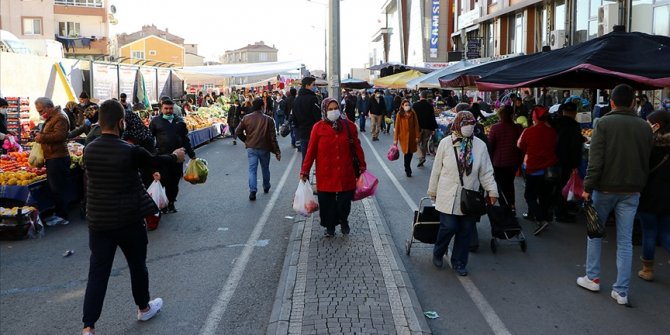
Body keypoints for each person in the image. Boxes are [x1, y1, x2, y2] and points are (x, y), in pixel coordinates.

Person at [81, 99, 185, 335]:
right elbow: (154, 160)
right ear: (121, 122)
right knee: (137, 265)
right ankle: (143, 307)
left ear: (98, 122)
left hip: (98, 222)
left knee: (97, 273)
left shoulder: (89, 149)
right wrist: (176, 157)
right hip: (128, 220)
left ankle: (88, 327)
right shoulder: (130, 150)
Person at [578, 84, 653, 305]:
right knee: (625, 242)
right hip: (632, 190)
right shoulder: (644, 127)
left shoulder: (603, 123)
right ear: (633, 102)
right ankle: (621, 291)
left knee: (595, 233)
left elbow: (596, 160)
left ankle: (593, 277)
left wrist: (587, 187)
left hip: (605, 188)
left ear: (611, 102)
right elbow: (645, 158)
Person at [428, 111, 498, 276]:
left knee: (466, 230)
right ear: (458, 124)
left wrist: (492, 191)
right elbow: (436, 170)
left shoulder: (480, 146)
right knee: (449, 226)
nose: (469, 127)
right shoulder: (446, 143)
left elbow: (486, 172)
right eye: (465, 124)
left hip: (470, 196)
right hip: (447, 193)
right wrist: (433, 190)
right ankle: (438, 251)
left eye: (472, 124)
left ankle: (459, 262)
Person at [300, 97, 367, 237]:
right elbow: (310, 151)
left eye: (335, 108)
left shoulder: (349, 126)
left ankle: (343, 220)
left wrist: (362, 165)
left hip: (345, 171)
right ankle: (330, 227)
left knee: (344, 202)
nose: (333, 111)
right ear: (324, 110)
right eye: (330, 109)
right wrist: (304, 170)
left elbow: (357, 147)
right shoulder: (317, 128)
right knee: (327, 203)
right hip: (326, 173)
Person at [637, 110, 670, 281]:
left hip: (649, 194)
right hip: (668, 196)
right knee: (666, 233)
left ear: (657, 125)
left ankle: (647, 270)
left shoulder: (648, 145)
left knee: (649, 232)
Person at [517, 106, 558, 235]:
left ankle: (541, 219)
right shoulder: (552, 132)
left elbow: (520, 145)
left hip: (533, 168)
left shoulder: (529, 131)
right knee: (544, 195)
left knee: (529, 195)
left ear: (534, 117)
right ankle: (544, 216)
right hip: (549, 169)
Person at [149, 99, 196, 213]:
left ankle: (171, 202)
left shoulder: (179, 121)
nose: (168, 111)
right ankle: (163, 204)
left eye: (170, 108)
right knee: (163, 181)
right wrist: (152, 154)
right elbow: (149, 139)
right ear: (161, 108)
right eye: (166, 108)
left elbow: (185, 139)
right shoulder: (155, 122)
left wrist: (192, 154)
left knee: (174, 182)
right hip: (162, 158)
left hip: (178, 159)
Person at [34, 97, 71, 225]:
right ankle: (59, 213)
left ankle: (62, 216)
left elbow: (60, 136)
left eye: (41, 111)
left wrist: (41, 137)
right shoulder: (52, 117)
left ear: (49, 107)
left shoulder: (59, 117)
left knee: (58, 188)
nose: (40, 114)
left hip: (58, 157)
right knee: (55, 188)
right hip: (52, 156)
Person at [235, 98, 281, 201]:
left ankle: (253, 191)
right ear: (262, 107)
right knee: (265, 168)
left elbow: (238, 132)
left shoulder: (246, 118)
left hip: (251, 147)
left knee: (252, 170)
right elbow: (273, 138)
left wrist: (246, 140)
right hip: (264, 148)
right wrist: (277, 151)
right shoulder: (268, 119)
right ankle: (266, 186)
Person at [551, 102, 585, 222]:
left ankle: (557, 209)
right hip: (568, 161)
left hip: (554, 159)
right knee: (565, 186)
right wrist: (575, 164)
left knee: (557, 185)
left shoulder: (555, 123)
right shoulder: (574, 125)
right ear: (575, 113)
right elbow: (574, 146)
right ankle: (561, 213)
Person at [487, 105, 523, 213]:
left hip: (499, 162)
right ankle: (511, 205)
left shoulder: (495, 128)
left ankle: (505, 206)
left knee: (500, 185)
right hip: (514, 161)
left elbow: (490, 145)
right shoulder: (518, 127)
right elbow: (521, 145)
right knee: (509, 183)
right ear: (512, 115)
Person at [292, 77, 322, 161]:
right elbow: (317, 117)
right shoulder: (313, 98)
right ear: (307, 85)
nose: (314, 87)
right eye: (313, 85)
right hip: (313, 133)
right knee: (318, 158)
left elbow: (294, 119)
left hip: (302, 133)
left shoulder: (296, 100)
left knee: (305, 159)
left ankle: (304, 174)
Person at [393, 99, 420, 177]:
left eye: (408, 105)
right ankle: (407, 168)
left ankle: (407, 166)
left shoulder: (413, 113)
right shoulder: (399, 114)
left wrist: (417, 136)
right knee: (406, 152)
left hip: (412, 137)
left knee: (410, 152)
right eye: (406, 105)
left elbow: (416, 125)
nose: (407, 106)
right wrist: (395, 139)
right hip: (403, 137)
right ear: (402, 106)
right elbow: (397, 127)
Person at [414, 91, 438, 167]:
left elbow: (413, 118)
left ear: (420, 96)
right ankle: (423, 158)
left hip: (418, 128)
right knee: (424, 144)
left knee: (416, 143)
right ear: (426, 97)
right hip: (428, 128)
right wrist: (433, 129)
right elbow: (432, 118)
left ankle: (421, 158)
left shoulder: (415, 105)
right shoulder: (430, 106)